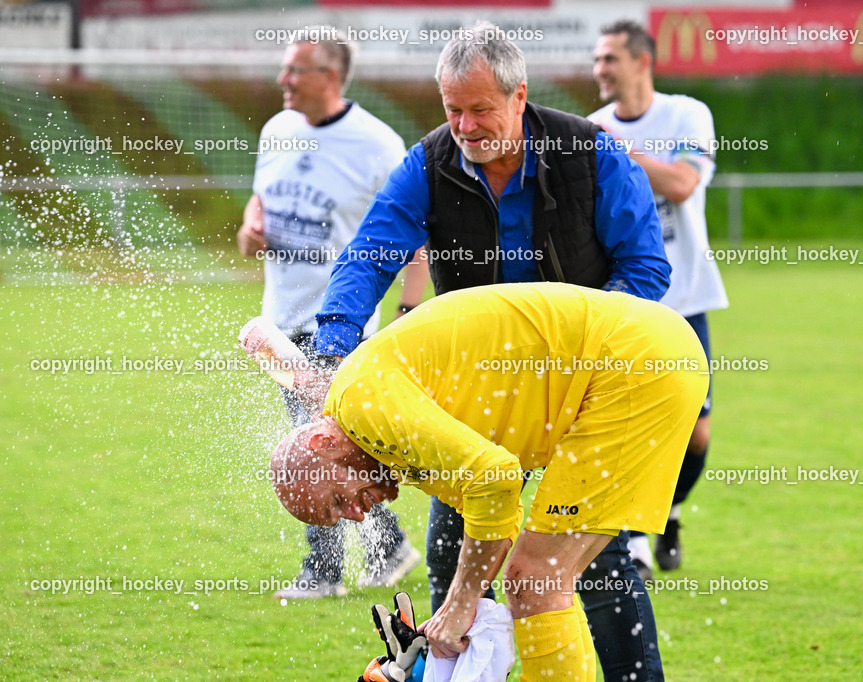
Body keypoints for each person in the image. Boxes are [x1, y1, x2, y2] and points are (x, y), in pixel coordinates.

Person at [314, 21, 674, 680]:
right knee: (456, 565)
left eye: (481, 109)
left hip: (582, 394)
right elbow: (370, 255)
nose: (466, 126)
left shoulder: (592, 151)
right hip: (473, 407)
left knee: (596, 567)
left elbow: (645, 272)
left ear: (519, 97)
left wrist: (575, 364)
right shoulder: (428, 163)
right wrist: (335, 349)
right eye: (454, 110)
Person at [273, 283, 709, 681]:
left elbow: (497, 479)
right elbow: (493, 506)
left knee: (536, 578)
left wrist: (461, 604)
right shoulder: (372, 427)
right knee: (542, 581)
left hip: (633, 364)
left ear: (322, 440)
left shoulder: (362, 409)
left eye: (338, 500)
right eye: (340, 518)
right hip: (645, 357)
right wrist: (456, 611)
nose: (357, 514)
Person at [237, 35, 425, 599]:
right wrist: (252, 226)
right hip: (279, 321)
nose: (283, 81)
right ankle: (389, 545)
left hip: (341, 325)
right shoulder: (276, 129)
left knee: (311, 448)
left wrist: (406, 313)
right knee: (331, 445)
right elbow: (260, 199)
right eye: (284, 69)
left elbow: (415, 234)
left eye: (295, 71)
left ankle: (322, 574)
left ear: (331, 76)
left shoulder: (377, 144)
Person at [590, 19, 729, 576]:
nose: (599, 70)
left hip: (686, 297)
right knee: (628, 427)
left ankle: (667, 511)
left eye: (610, 59)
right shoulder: (590, 127)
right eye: (596, 60)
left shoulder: (687, 114)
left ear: (642, 62)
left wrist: (620, 155)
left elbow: (681, 184)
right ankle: (635, 545)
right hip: (623, 303)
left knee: (695, 434)